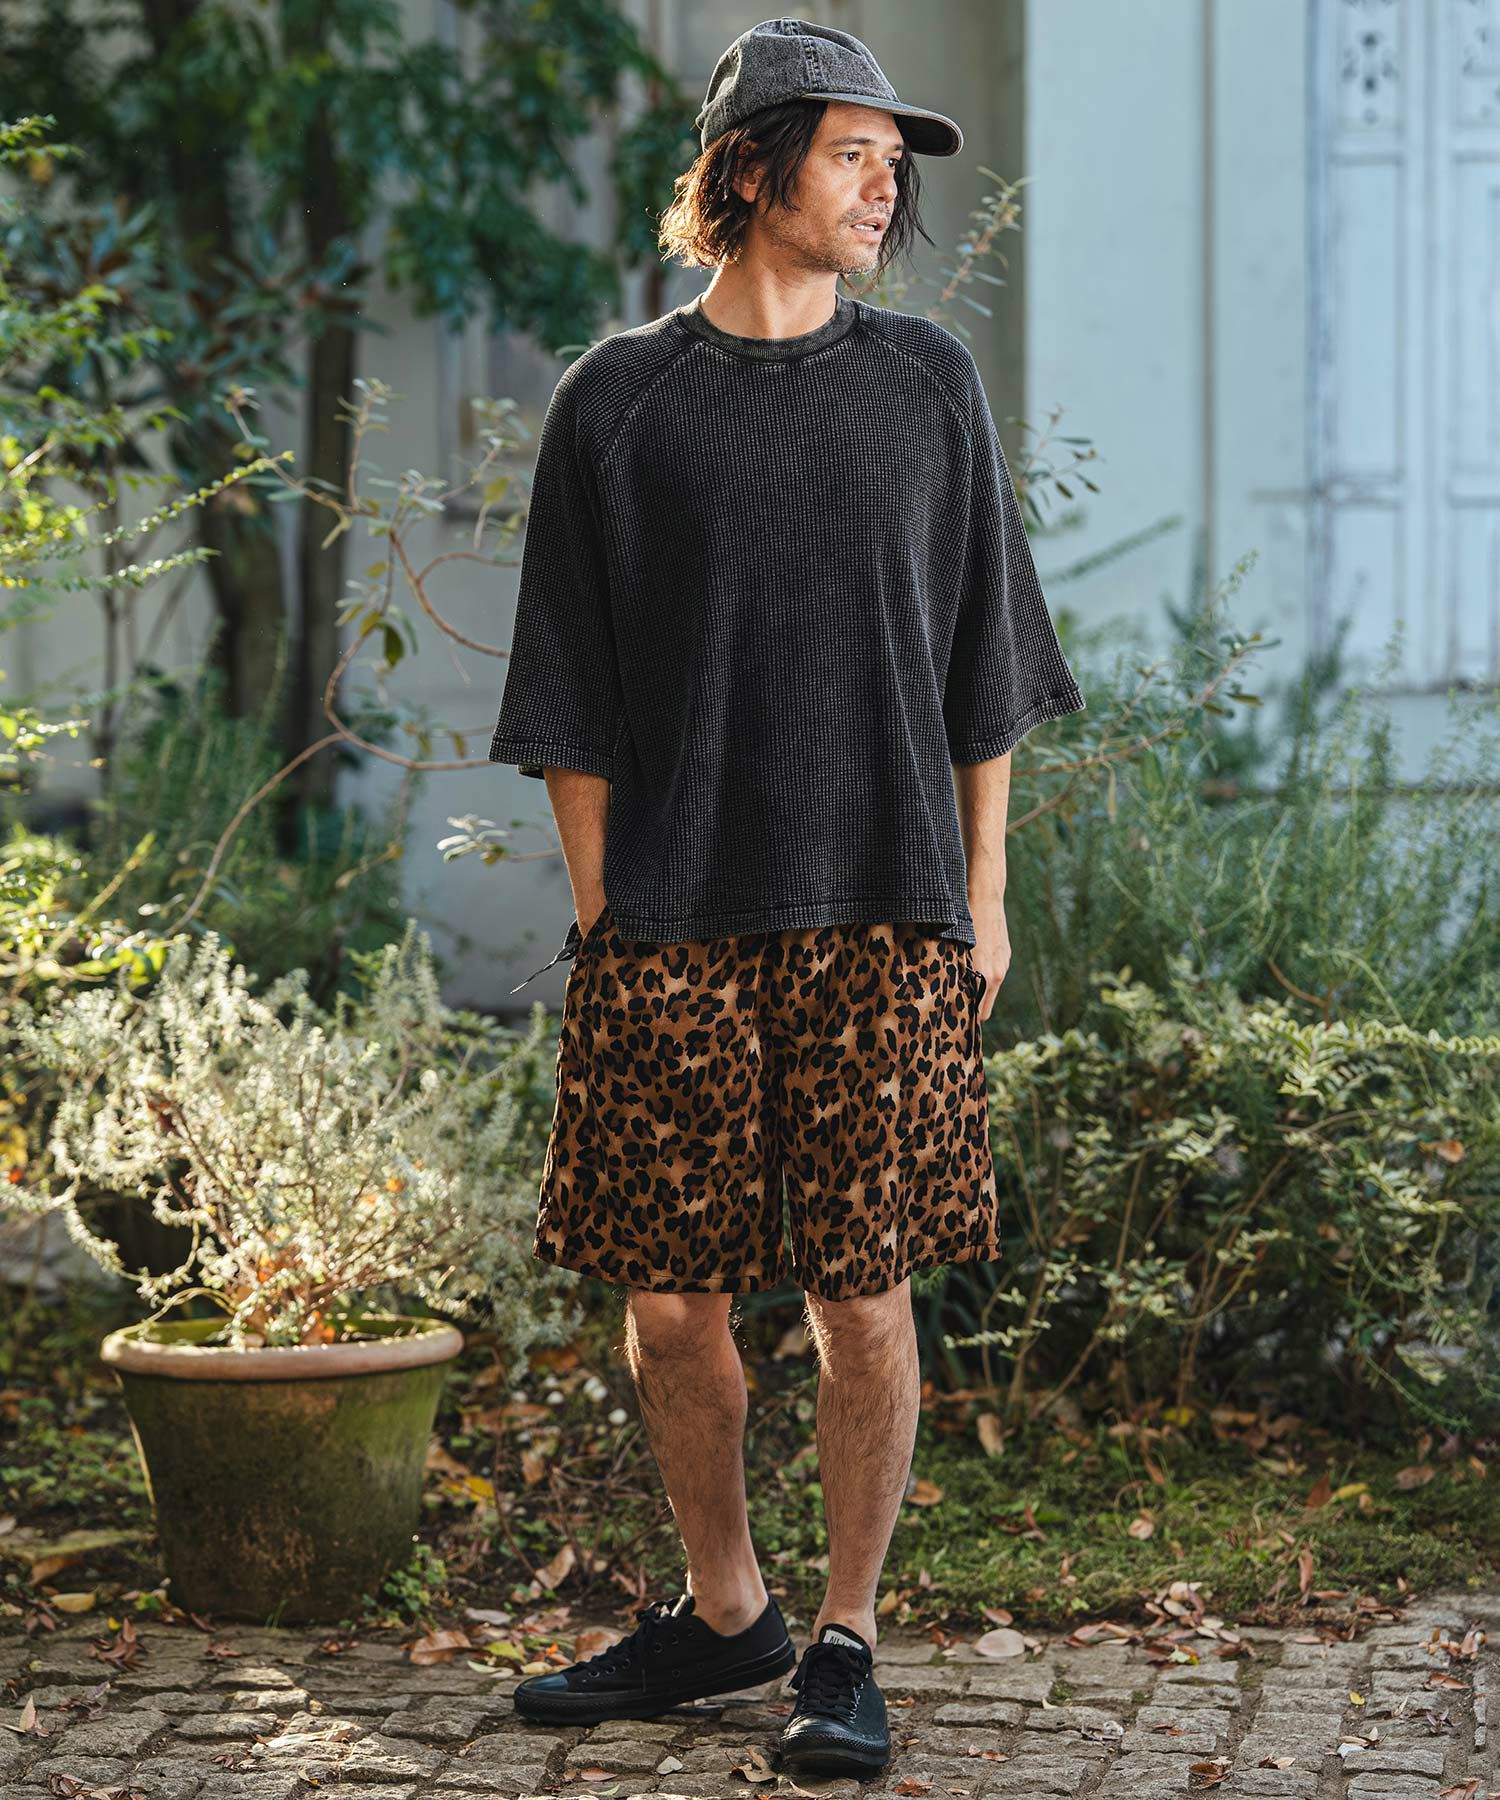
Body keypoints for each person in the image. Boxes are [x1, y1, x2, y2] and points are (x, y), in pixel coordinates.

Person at [491, 16, 1085, 1779]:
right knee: (672, 1302)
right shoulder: (617, 402)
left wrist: (984, 890)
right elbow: (569, 690)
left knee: (861, 1293)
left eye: (894, 165)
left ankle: (844, 1642)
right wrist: (603, 910)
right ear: (750, 170)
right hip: (670, 914)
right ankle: (726, 1610)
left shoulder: (929, 388)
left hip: (884, 906)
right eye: (852, 155)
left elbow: (987, 661)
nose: (884, 187)